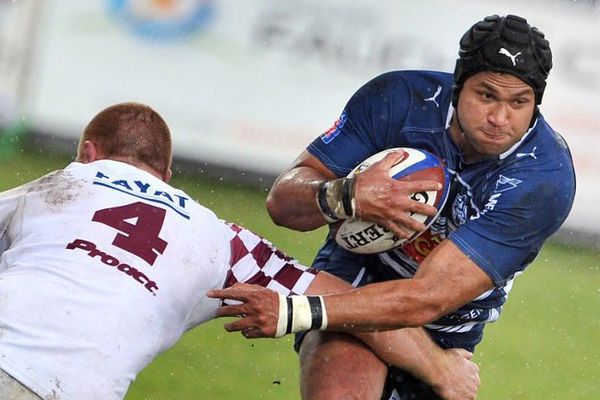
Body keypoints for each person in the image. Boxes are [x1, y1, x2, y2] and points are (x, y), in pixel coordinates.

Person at [0, 102, 479, 400]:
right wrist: (441, 369)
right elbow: (337, 300)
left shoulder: (70, 180)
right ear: (167, 177)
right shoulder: (220, 237)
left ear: (87, 153)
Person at [208, 14, 576, 400]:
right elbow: (283, 204)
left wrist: (292, 312)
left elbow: (426, 298)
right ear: (458, 87)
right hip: (353, 277)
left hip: (444, 325)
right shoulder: (399, 100)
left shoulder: (543, 178)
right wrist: (345, 195)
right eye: (486, 96)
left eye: (519, 102)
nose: (500, 119)